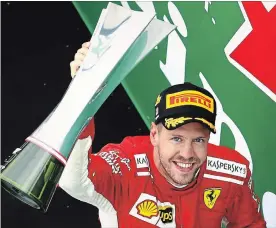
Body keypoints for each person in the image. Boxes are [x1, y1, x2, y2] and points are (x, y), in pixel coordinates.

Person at [59, 42, 266, 228]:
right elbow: (74, 180)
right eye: (177, 138)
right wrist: (82, 94)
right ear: (154, 135)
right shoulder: (126, 164)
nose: (187, 153)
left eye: (199, 140)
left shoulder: (232, 171)